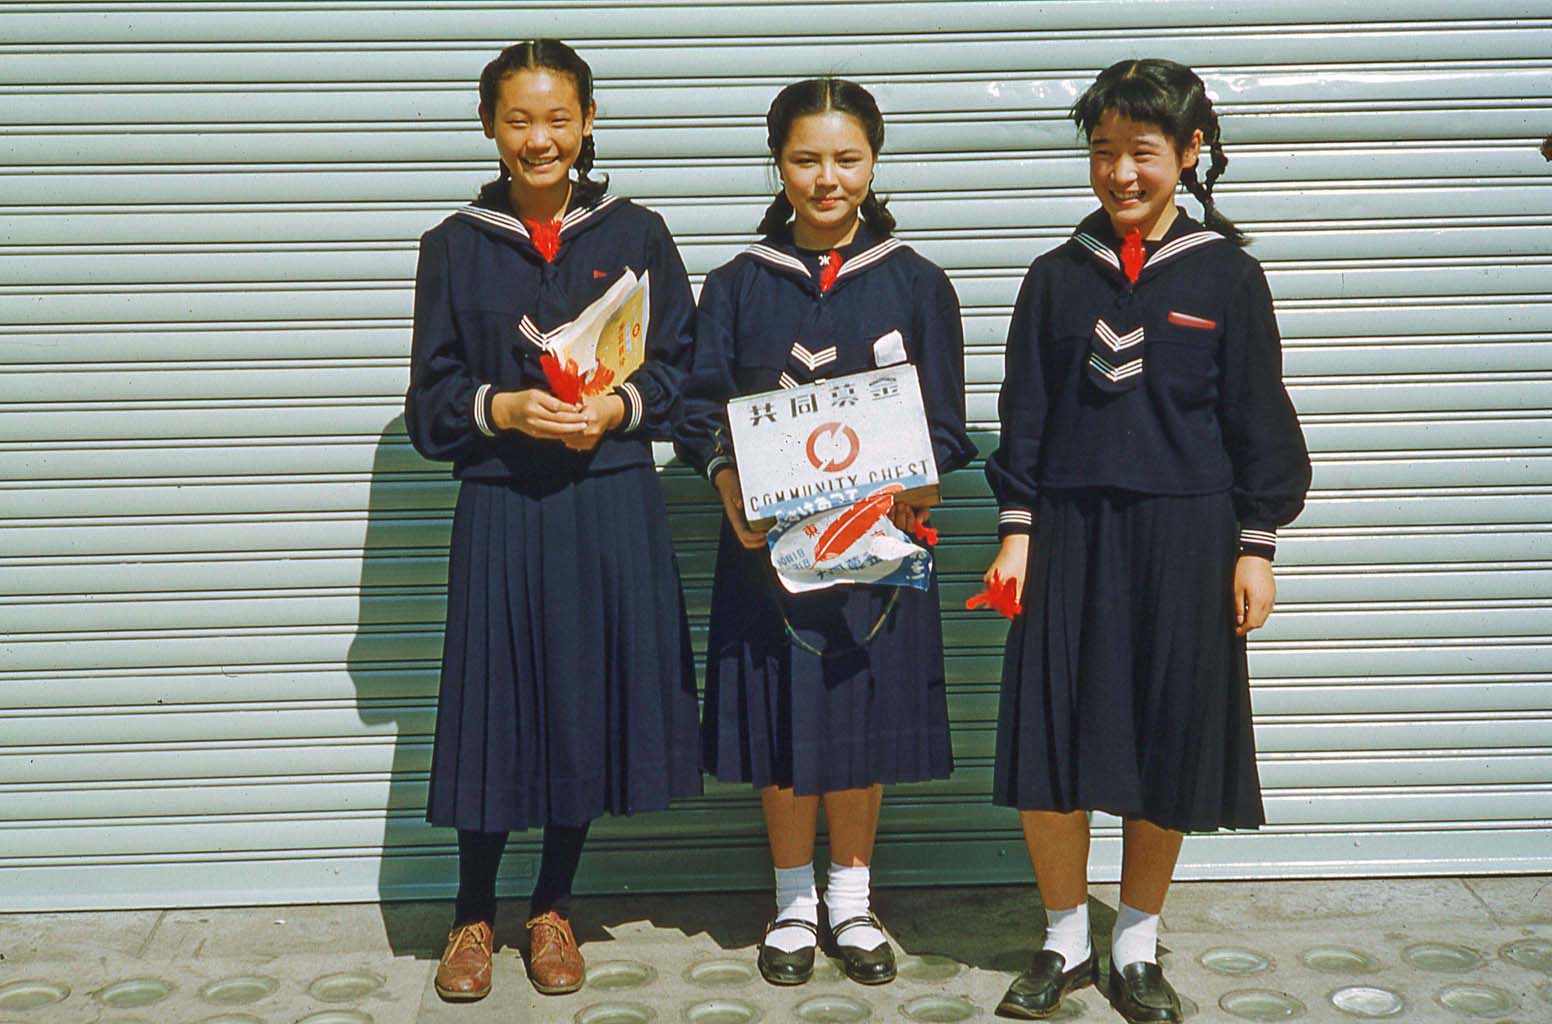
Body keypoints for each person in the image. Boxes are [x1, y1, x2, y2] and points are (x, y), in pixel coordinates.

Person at [982, 59, 1310, 1023]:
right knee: (1053, 741)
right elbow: (1025, 414)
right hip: (1068, 535)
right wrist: (1016, 533)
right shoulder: (1055, 277)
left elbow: (1258, 418)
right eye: (1103, 150)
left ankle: (1133, 944)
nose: (1120, 172)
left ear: (1191, 152)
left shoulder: (1228, 276)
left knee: (1164, 740)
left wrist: (1256, 545)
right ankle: (1062, 940)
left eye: (1143, 151)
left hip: (1186, 539)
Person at [404, 38, 701, 1001]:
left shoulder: (636, 233)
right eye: (520, 120)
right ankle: (471, 914)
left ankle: (553, 907)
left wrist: (618, 408)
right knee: (492, 704)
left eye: (559, 118)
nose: (541, 139)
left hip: (607, 499)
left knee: (582, 697)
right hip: (502, 501)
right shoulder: (455, 244)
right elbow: (429, 403)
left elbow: (684, 370)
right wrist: (501, 407)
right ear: (489, 126)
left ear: (589, 121)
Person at [677, 77, 976, 988]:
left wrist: (913, 481)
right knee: (780, 722)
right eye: (806, 159)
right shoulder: (737, 284)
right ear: (779, 164)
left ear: (874, 163)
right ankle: (791, 902)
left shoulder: (917, 282)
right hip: (769, 551)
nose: (826, 178)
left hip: (875, 548)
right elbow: (697, 411)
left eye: (847, 159)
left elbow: (949, 425)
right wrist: (726, 477)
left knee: (858, 717)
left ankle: (852, 897)